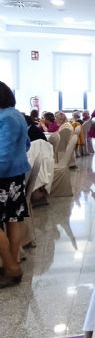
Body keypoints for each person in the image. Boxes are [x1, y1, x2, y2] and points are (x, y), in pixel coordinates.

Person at [0, 81, 30, 287]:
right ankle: (13, 263)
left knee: (12, 218)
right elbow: (26, 144)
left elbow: (3, 154)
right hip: (15, 176)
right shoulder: (15, 114)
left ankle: (11, 267)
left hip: (4, 175)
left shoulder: (5, 117)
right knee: (13, 218)